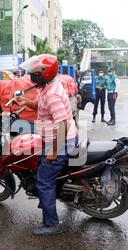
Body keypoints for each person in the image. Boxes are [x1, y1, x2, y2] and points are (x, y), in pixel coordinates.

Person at [15, 54, 78, 236]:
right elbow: (41, 108)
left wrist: (54, 151)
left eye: (34, 73)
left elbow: (63, 124)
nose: (31, 76)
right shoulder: (48, 87)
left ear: (44, 73)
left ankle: (51, 224)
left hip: (60, 142)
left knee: (43, 182)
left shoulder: (52, 95)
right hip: (55, 139)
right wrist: (25, 102)